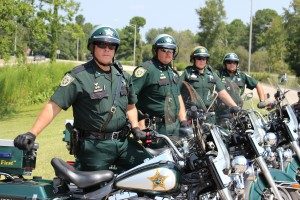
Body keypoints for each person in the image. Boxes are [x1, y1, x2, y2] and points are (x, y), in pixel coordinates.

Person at [13, 26, 151, 172]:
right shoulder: (79, 77)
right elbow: (54, 105)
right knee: (97, 191)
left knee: (151, 170)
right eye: (102, 45)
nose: (107, 49)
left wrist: (136, 128)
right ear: (92, 47)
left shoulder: (123, 76)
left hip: (123, 143)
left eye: (111, 46)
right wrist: (32, 133)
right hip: (94, 148)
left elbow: (130, 106)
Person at [131, 33, 189, 139]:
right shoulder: (146, 70)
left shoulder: (172, 73)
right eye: (164, 50)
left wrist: (183, 121)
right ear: (155, 51)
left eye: (171, 51)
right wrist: (140, 127)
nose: (168, 54)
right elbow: (130, 99)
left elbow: (178, 96)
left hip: (174, 126)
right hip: (154, 129)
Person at [180, 46, 238, 124]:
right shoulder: (187, 73)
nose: (202, 61)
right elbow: (176, 93)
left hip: (209, 117)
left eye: (204, 58)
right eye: (199, 58)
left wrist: (235, 106)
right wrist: (183, 118)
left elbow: (222, 92)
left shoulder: (211, 74)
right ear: (194, 59)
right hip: (192, 117)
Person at [216, 52, 266, 121]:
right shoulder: (218, 74)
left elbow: (258, 84)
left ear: (237, 64)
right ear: (225, 64)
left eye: (234, 62)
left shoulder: (242, 75)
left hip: (237, 111)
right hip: (221, 112)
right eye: (229, 62)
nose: (232, 64)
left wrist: (262, 101)